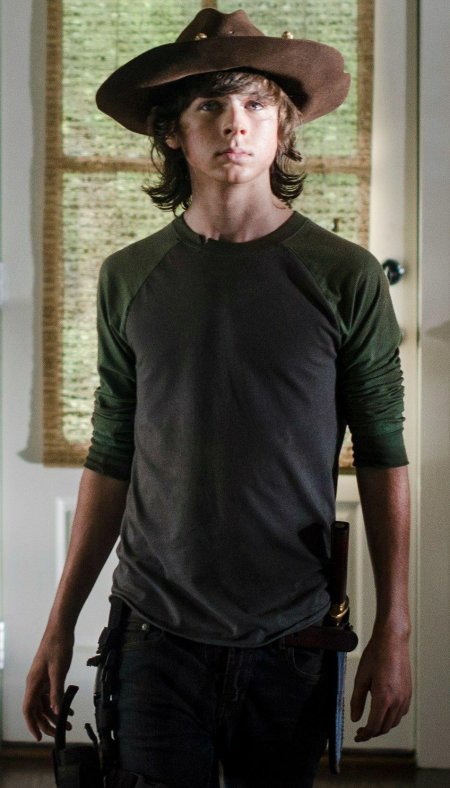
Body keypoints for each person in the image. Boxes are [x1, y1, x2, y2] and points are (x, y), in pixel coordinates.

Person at [23, 8, 412, 787]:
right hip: (154, 632)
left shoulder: (346, 275)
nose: (235, 123)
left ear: (283, 126)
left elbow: (381, 450)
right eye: (210, 104)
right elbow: (112, 451)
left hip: (291, 635)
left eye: (256, 103)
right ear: (173, 131)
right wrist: (58, 623)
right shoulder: (129, 277)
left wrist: (394, 626)